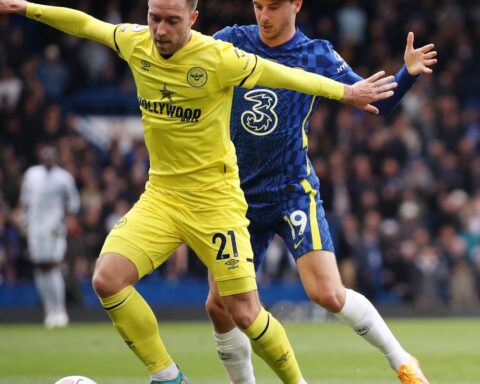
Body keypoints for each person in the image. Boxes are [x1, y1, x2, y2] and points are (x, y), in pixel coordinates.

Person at [0, 0, 397, 383]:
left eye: (172, 21)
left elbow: (284, 75)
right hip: (162, 196)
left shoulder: (219, 56)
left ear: (194, 18)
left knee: (243, 312)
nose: (160, 30)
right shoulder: (135, 41)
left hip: (216, 201)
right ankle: (167, 376)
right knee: (106, 279)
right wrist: (28, 8)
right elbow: (86, 25)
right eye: (154, 18)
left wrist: (344, 92)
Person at [204, 0, 437, 383]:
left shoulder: (316, 54)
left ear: (296, 4)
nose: (264, 16)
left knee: (327, 293)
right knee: (219, 305)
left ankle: (402, 361)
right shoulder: (232, 41)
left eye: (274, 6)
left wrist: (406, 73)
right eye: (258, 6)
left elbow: (377, 99)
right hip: (234, 196)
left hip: (291, 189)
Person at [19, 145, 80, 328]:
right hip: (35, 227)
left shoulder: (64, 178)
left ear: (55, 158)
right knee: (39, 267)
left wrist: (65, 223)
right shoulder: (31, 174)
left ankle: (60, 311)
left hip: (54, 227)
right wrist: (24, 221)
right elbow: (25, 201)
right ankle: (49, 310)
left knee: (53, 266)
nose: (48, 159)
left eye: (51, 156)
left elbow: (74, 203)